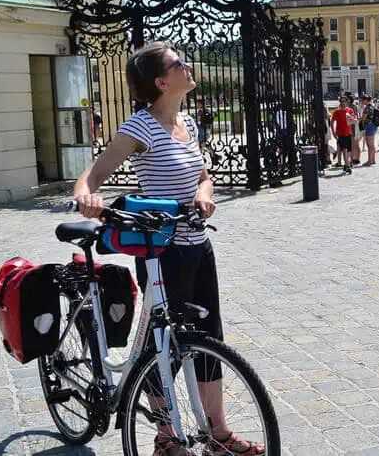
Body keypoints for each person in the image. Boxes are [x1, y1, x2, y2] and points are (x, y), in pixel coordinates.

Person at [71, 41, 263, 456]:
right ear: (161, 82)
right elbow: (97, 171)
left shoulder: (188, 124)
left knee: (210, 337)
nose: (188, 65)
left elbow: (204, 175)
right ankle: (166, 437)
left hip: (198, 243)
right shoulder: (139, 128)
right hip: (162, 250)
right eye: (179, 63)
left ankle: (218, 434)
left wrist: (203, 193)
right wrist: (86, 193)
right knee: (164, 345)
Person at [329, 96, 356, 174]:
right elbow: (332, 122)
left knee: (349, 150)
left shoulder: (350, 110)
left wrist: (353, 119)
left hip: (349, 132)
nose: (343, 102)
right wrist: (333, 133)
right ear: (340, 102)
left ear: (347, 102)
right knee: (344, 149)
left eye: (344, 101)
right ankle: (347, 165)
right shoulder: (337, 111)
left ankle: (347, 164)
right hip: (340, 133)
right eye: (341, 101)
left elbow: (354, 120)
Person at [359, 94, 379, 166]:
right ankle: (373, 160)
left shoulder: (367, 108)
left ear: (365, 100)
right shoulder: (372, 106)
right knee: (372, 144)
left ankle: (369, 161)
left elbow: (363, 118)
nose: (361, 101)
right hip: (373, 126)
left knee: (369, 145)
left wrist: (359, 118)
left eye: (362, 100)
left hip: (369, 126)